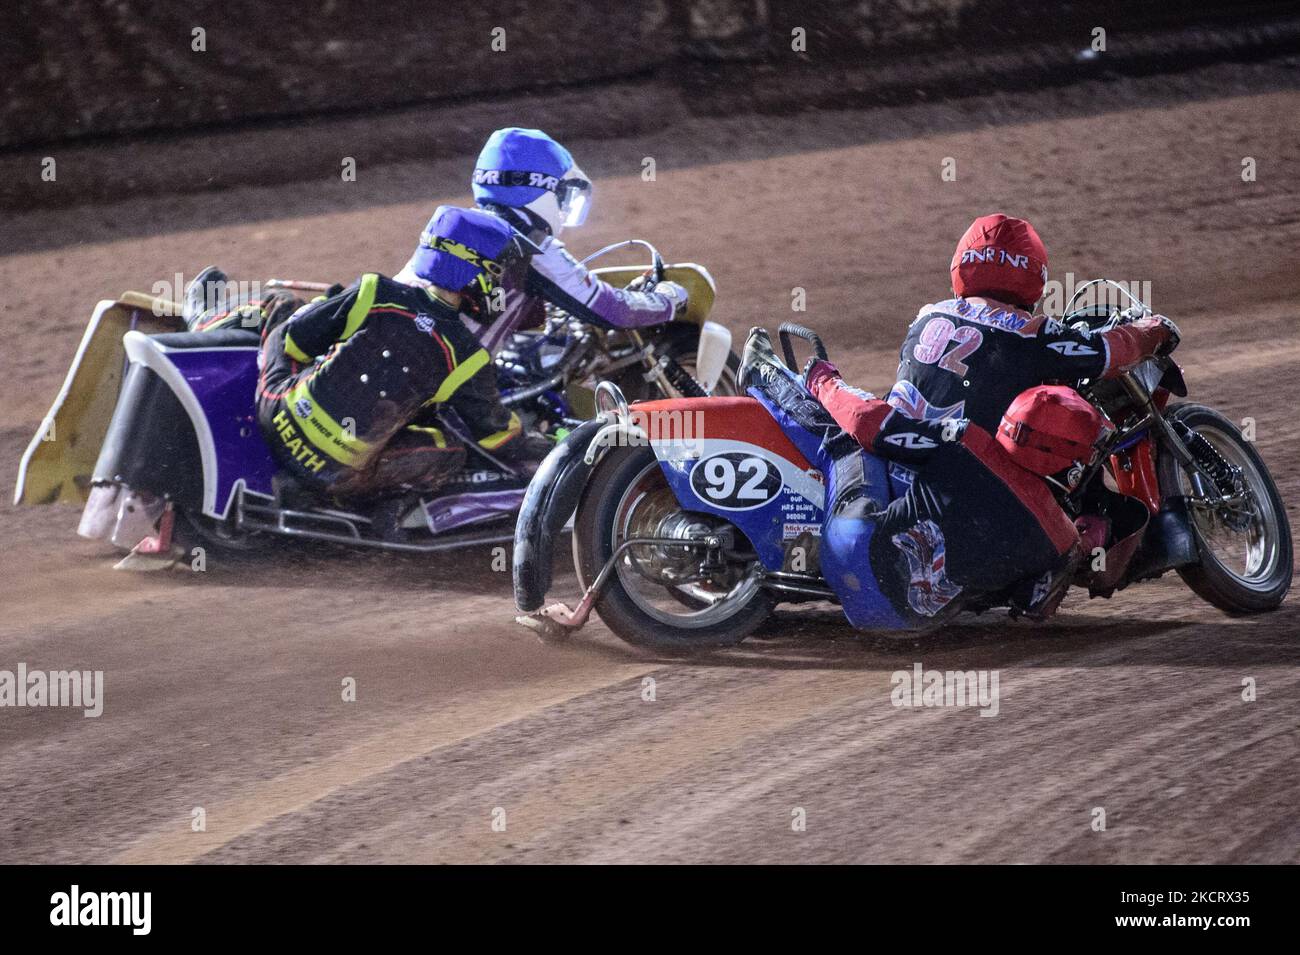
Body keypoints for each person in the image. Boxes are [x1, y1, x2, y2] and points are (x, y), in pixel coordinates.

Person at [740, 331, 1111, 627]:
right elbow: (1032, 606)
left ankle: (764, 375)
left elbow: (868, 423)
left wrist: (824, 381)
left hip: (853, 555)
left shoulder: (970, 445)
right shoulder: (1062, 540)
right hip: (912, 620)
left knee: (848, 446)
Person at [255, 205, 542, 505]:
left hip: (274, 418)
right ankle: (388, 506)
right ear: (474, 269)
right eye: (498, 272)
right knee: (452, 450)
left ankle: (217, 319)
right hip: (332, 473)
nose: (499, 286)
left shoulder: (374, 290)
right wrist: (552, 444)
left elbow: (296, 342)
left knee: (280, 318)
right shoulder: (468, 357)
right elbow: (499, 438)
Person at [395, 127, 690, 355]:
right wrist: (667, 301)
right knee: (541, 436)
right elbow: (611, 310)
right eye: (563, 194)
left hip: (392, 357)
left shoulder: (453, 230)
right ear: (542, 187)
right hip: (446, 390)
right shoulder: (530, 248)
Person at [892, 213, 1180, 430]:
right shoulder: (1029, 332)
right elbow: (1107, 351)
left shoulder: (926, 316)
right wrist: (1155, 330)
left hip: (899, 457)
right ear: (1034, 274)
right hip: (974, 479)